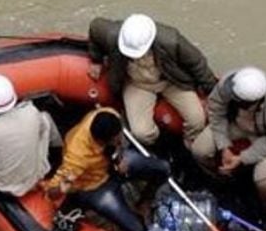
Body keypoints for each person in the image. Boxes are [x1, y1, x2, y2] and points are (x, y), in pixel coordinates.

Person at [87, 14, 217, 147]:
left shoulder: (171, 40)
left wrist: (211, 92)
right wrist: (96, 59)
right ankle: (159, 143)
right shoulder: (110, 33)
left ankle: (190, 139)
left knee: (197, 120)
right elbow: (95, 27)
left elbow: (197, 63)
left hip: (171, 81)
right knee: (141, 133)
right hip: (137, 83)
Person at [43, 107, 169, 231]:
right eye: (115, 139)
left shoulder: (109, 114)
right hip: (95, 186)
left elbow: (117, 142)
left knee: (163, 168)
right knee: (136, 229)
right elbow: (51, 191)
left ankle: (145, 201)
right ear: (101, 142)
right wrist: (62, 187)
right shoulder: (77, 157)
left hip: (112, 164)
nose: (118, 139)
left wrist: (119, 156)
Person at [190, 66, 266, 207]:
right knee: (200, 150)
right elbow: (216, 111)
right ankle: (220, 179)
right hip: (236, 124)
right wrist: (224, 146)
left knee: (263, 182)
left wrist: (242, 158)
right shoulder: (230, 83)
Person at [0, 74, 57, 196]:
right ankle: (57, 150)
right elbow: (40, 128)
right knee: (45, 118)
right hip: (35, 176)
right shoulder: (31, 111)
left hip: (3, 187)